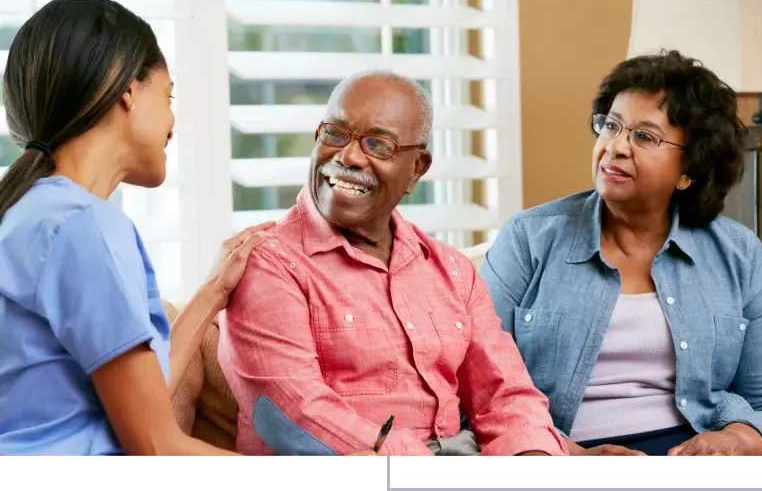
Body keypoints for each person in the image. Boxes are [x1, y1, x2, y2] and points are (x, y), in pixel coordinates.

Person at [0, 0, 376, 459]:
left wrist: (212, 293)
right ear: (126, 91)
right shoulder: (84, 228)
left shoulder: (13, 220)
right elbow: (156, 447)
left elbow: (144, 404)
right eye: (168, 95)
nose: (173, 122)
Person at [479, 50, 762, 458]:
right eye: (611, 126)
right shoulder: (529, 240)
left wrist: (736, 442)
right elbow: (475, 389)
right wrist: (571, 455)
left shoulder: (738, 254)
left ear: (688, 170)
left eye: (645, 136)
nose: (616, 147)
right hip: (557, 450)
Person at [217, 70, 568, 458]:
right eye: (335, 133)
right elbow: (292, 414)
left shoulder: (451, 270)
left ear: (416, 169)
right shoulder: (269, 262)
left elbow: (506, 396)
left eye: (377, 144)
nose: (348, 156)